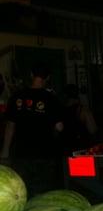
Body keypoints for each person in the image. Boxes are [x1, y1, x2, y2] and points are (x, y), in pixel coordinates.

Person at [0, 64, 64, 195]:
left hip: (21, 154)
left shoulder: (17, 96)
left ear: (31, 75)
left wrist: (5, 152)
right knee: (43, 193)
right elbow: (59, 127)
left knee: (21, 192)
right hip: (44, 154)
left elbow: (10, 126)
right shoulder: (51, 98)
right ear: (48, 78)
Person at [62, 84, 97, 154]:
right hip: (81, 150)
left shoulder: (61, 111)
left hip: (66, 149)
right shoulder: (83, 110)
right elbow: (92, 130)